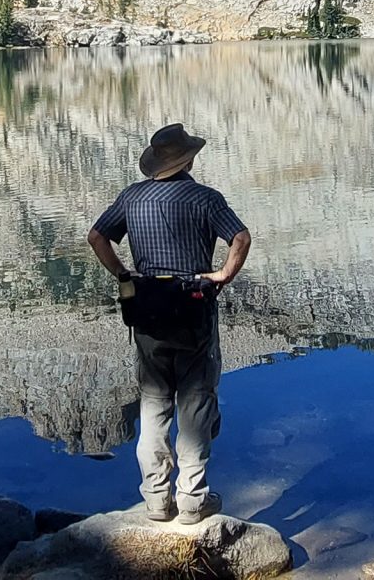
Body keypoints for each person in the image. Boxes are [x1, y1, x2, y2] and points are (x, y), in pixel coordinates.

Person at [87, 122, 253, 522]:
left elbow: (96, 236)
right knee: (195, 400)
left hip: (146, 307)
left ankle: (157, 499)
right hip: (193, 303)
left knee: (154, 401)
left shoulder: (131, 198)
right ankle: (193, 499)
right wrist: (223, 275)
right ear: (189, 159)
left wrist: (124, 275)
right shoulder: (205, 199)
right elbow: (241, 238)